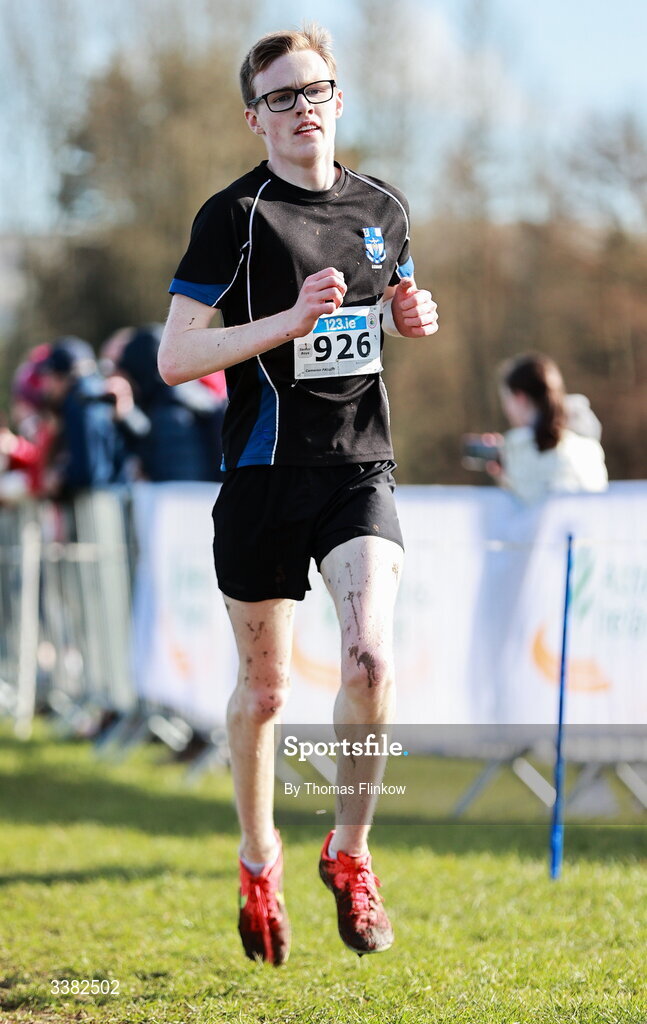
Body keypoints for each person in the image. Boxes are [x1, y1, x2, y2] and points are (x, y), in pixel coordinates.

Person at [158, 24, 438, 965]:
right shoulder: (232, 216)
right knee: (267, 691)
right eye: (280, 96)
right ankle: (258, 853)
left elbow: (395, 297)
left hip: (358, 465)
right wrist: (284, 320)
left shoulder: (385, 205)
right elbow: (175, 357)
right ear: (254, 118)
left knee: (368, 660)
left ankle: (349, 854)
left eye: (313, 88)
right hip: (260, 477)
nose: (301, 105)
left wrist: (413, 310)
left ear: (338, 99)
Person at [489, 352, 608, 503]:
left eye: (506, 399)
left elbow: (525, 513)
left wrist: (506, 469)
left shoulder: (517, 447)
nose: (505, 408)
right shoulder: (588, 445)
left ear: (520, 398)